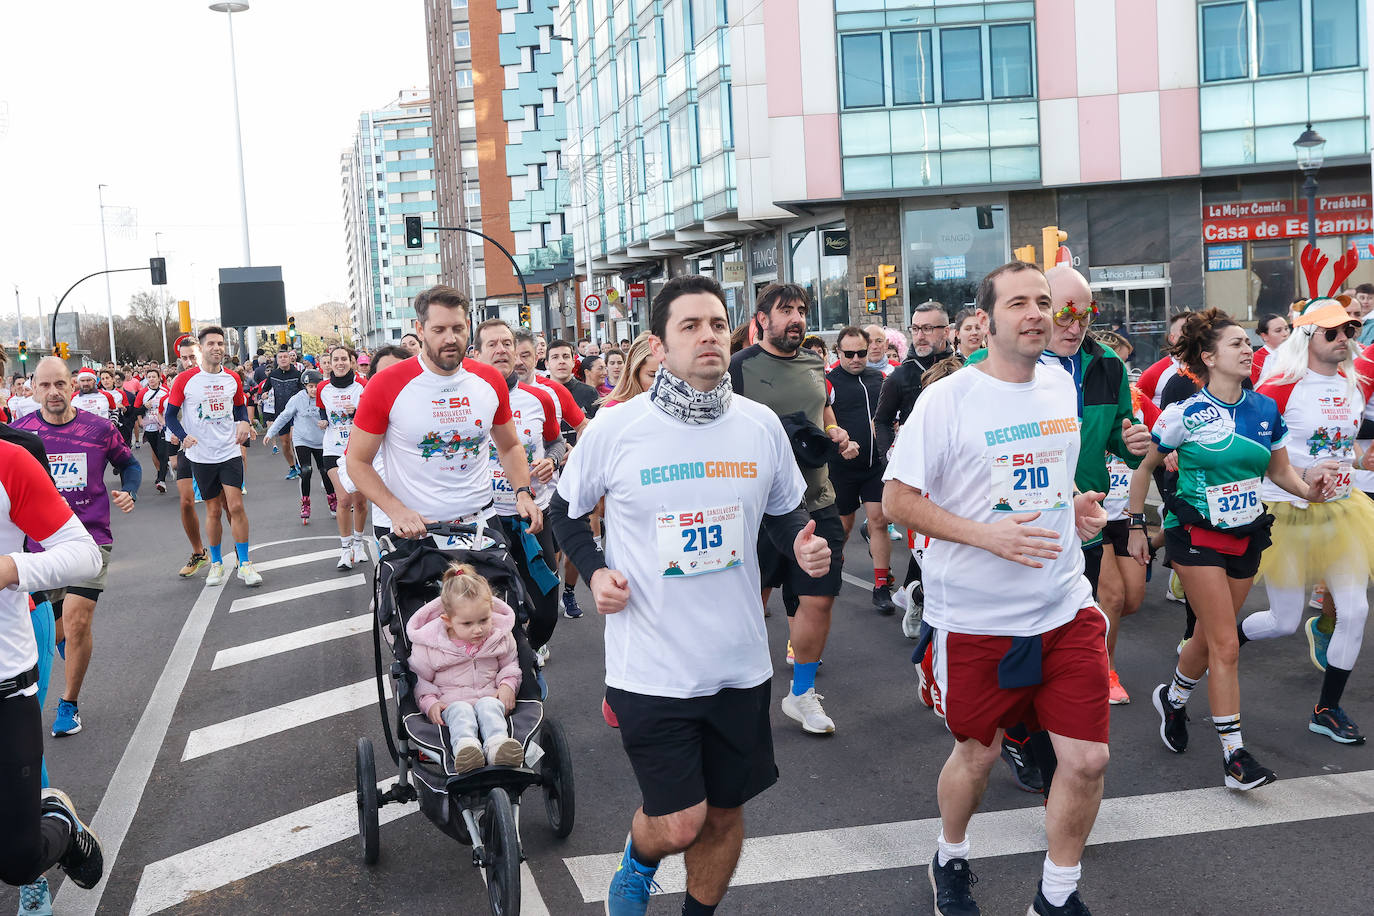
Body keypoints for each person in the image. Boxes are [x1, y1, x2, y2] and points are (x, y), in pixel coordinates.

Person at [548, 274, 830, 916]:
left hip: (737, 661)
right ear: (660, 344)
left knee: (725, 815)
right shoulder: (617, 427)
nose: (707, 336)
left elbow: (786, 515)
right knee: (679, 822)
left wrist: (802, 547)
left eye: (716, 324)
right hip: (649, 664)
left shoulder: (758, 426)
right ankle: (637, 861)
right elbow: (565, 512)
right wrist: (593, 572)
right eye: (690, 326)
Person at [881, 260, 1111, 916]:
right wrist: (989, 537)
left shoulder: (1059, 385)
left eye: (1044, 301)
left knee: (1088, 760)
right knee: (976, 758)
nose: (1037, 313)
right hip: (976, 618)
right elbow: (898, 500)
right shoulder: (948, 400)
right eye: (1019, 303)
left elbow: (1047, 479)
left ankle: (1056, 894)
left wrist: (1075, 506)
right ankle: (950, 855)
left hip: (1064, 607)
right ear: (986, 320)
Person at [1128, 309, 1331, 790]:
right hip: (1194, 535)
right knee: (1224, 645)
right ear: (1209, 356)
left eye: (1248, 343)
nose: (1248, 350)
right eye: (1237, 343)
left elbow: (1281, 473)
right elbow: (1143, 472)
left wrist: (1312, 491)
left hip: (1245, 535)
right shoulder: (1184, 414)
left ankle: (1173, 700)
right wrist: (1138, 526)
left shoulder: (1264, 411)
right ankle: (1235, 756)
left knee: (1206, 639)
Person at [1241, 287, 1374, 744]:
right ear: (1308, 335)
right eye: (1334, 330)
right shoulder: (1278, 388)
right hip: (1288, 508)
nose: (1344, 337)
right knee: (1282, 622)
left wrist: (1358, 462)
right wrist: (1302, 474)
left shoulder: (1355, 384)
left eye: (1350, 329)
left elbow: (1347, 447)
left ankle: (1327, 708)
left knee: (1355, 610)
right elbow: (1251, 453)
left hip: (1342, 510)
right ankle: (1217, 644)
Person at [730, 282, 856, 735]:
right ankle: (737, 694)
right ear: (760, 320)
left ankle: (801, 694)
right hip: (759, 509)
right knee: (748, 605)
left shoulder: (813, 362)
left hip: (817, 500)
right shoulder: (739, 368)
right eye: (785, 310)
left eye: (801, 309)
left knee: (818, 599)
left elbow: (821, 413)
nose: (796, 318)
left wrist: (836, 433)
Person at [346, 284, 543, 542]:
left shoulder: (490, 379)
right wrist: (396, 510)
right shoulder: (386, 384)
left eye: (458, 329)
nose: (450, 339)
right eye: (439, 330)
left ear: (468, 326)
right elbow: (357, 461)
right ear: (420, 330)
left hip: (482, 523)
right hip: (418, 530)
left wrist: (523, 492)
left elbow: (509, 446)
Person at [13, 357, 142, 738]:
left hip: (90, 539)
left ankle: (68, 703)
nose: (53, 393)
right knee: (50, 632)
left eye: (60, 385)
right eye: (45, 385)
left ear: (73, 386)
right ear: (33, 389)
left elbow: (129, 465)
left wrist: (129, 491)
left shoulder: (99, 429)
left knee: (77, 618)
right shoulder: (20, 435)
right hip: (38, 547)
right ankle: (66, 648)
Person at [0, 438, 106, 900]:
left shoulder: (9, 461)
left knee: (19, 859)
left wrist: (8, 569)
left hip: (5, 681)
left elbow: (85, 554)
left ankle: (57, 818)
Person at [473, 319, 565, 655]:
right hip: (485, 520)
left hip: (533, 516)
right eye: (492, 345)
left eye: (507, 343)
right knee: (495, 607)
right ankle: (518, 666)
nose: (501, 350)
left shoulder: (540, 397)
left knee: (545, 611)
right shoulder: (466, 400)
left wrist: (552, 461)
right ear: (476, 353)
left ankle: (530, 647)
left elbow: (556, 443)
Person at [1090, 330, 1158, 705]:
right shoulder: (1081, 400)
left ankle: (1087, 636)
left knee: (1131, 599)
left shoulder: (1141, 402)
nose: (1121, 372)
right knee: (1113, 598)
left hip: (1125, 515)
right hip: (1095, 512)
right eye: (1114, 362)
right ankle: (1105, 672)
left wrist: (1168, 452)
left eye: (1124, 363)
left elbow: (1164, 436)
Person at [164, 326, 262, 588]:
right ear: (202, 349)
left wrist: (244, 423)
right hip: (201, 454)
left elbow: (240, 407)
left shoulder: (232, 378)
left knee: (237, 506)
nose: (217, 348)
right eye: (211, 344)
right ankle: (216, 564)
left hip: (229, 450)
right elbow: (170, 416)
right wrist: (183, 436)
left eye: (220, 343)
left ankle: (244, 564)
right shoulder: (185, 380)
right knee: (213, 509)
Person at [408, 562, 523, 774]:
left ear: (492, 612)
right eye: (468, 624)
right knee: (461, 712)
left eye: (484, 620)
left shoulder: (499, 636)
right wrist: (430, 703)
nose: (478, 630)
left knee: (489, 706)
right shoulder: (431, 645)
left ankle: (498, 747)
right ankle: (466, 750)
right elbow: (420, 681)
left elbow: (510, 664)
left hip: (491, 696)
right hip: (451, 702)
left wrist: (508, 684)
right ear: (448, 621)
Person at [826, 325, 896, 613]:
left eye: (861, 353)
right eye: (849, 353)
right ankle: (835, 566)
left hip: (874, 467)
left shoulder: (879, 378)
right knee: (842, 526)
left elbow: (892, 415)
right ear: (838, 352)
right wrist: (839, 444)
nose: (856, 358)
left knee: (878, 520)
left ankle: (881, 585)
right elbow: (821, 421)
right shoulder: (828, 382)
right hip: (842, 468)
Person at [874, 300, 955, 458]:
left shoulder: (962, 368)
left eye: (927, 329)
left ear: (946, 332)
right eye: (915, 329)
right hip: (917, 463)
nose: (920, 336)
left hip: (957, 461)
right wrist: (889, 459)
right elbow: (882, 421)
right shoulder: (900, 374)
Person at [316, 346, 370, 567]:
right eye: (335, 359)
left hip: (357, 450)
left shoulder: (362, 386)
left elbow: (372, 415)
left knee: (359, 501)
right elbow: (322, 411)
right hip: (332, 449)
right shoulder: (322, 388)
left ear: (352, 362)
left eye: (343, 359)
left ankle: (358, 543)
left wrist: (357, 412)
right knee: (344, 499)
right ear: (329, 363)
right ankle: (345, 549)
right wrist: (323, 421)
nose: (339, 363)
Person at [266, 369, 334, 525]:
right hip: (302, 439)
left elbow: (334, 415)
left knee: (325, 471)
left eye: (316, 385)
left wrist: (327, 422)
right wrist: (271, 432)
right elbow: (284, 416)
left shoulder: (325, 397)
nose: (313, 389)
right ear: (305, 386)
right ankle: (305, 504)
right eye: (310, 386)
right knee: (306, 470)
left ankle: (332, 499)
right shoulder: (297, 399)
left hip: (321, 440)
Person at [166, 336, 209, 577]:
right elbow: (172, 414)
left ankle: (239, 551)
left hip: (215, 448)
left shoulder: (215, 376)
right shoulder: (180, 380)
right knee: (186, 501)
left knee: (222, 502)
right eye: (184, 358)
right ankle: (199, 552)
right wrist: (178, 435)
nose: (189, 362)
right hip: (189, 447)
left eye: (193, 356)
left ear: (201, 354)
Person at [1135, 311, 1193, 407]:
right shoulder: (1154, 373)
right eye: (1185, 330)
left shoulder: (1210, 369)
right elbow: (1136, 407)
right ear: (1172, 338)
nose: (1192, 335)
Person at [263, 349, 304, 481]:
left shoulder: (297, 374)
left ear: (290, 358)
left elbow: (304, 390)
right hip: (281, 412)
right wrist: (263, 394)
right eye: (280, 357)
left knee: (294, 439)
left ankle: (299, 465)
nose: (283, 359)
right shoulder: (273, 374)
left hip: (296, 413)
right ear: (277, 360)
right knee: (285, 443)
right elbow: (265, 388)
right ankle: (292, 467)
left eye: (285, 357)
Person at [133, 367, 171, 493]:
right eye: (149, 377)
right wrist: (144, 407)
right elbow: (135, 411)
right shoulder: (143, 393)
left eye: (154, 377)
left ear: (159, 378)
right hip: (149, 427)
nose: (151, 379)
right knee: (157, 451)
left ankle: (161, 480)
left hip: (163, 426)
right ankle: (164, 469)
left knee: (162, 452)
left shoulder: (166, 391)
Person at [601, 336, 659, 407]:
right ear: (635, 373)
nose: (662, 382)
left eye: (670, 375)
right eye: (653, 375)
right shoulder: (615, 408)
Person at [1250, 312, 1291, 383]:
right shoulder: (1256, 360)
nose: (1285, 334)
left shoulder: (1297, 353)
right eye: (1278, 331)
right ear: (1264, 336)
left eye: (1286, 328)